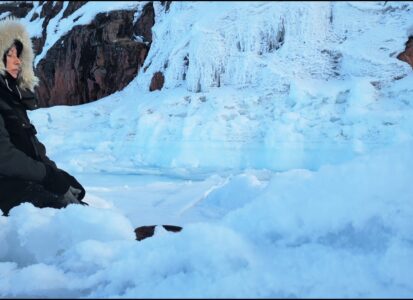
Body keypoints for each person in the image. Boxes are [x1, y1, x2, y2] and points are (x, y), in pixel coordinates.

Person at [0, 19, 87, 216]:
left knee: (76, 197)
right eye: (9, 55)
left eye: (19, 55)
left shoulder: (12, 100)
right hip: (5, 182)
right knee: (59, 208)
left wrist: (55, 174)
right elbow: (4, 157)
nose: (17, 61)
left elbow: (33, 149)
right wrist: (47, 176)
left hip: (16, 178)